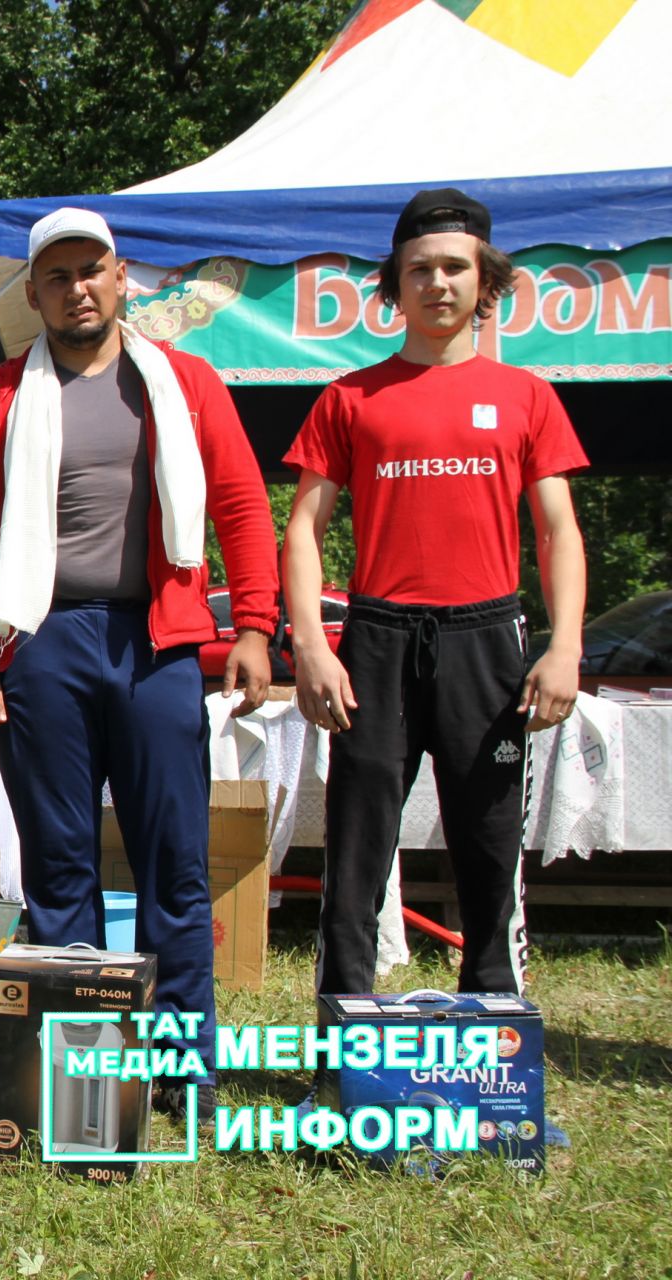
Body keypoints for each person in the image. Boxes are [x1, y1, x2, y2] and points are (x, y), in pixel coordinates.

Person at [0, 208, 279, 1122]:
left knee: (173, 865)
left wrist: (253, 627)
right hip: (41, 644)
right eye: (56, 277)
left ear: (123, 277)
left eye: (92, 270)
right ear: (37, 294)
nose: (76, 288)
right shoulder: (0, 398)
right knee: (60, 866)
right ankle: (87, 1067)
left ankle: (183, 1070)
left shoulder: (186, 383)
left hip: (157, 643)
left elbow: (245, 508)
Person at [285, 188, 587, 998]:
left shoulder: (527, 396)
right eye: (420, 269)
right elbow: (304, 529)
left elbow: (557, 531)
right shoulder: (351, 397)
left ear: (485, 279)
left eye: (456, 267)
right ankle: (340, 1058)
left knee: (489, 852)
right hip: (378, 643)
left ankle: (493, 1049)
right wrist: (312, 645)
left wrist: (564, 648)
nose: (439, 283)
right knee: (356, 852)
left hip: (486, 642)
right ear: (395, 284)